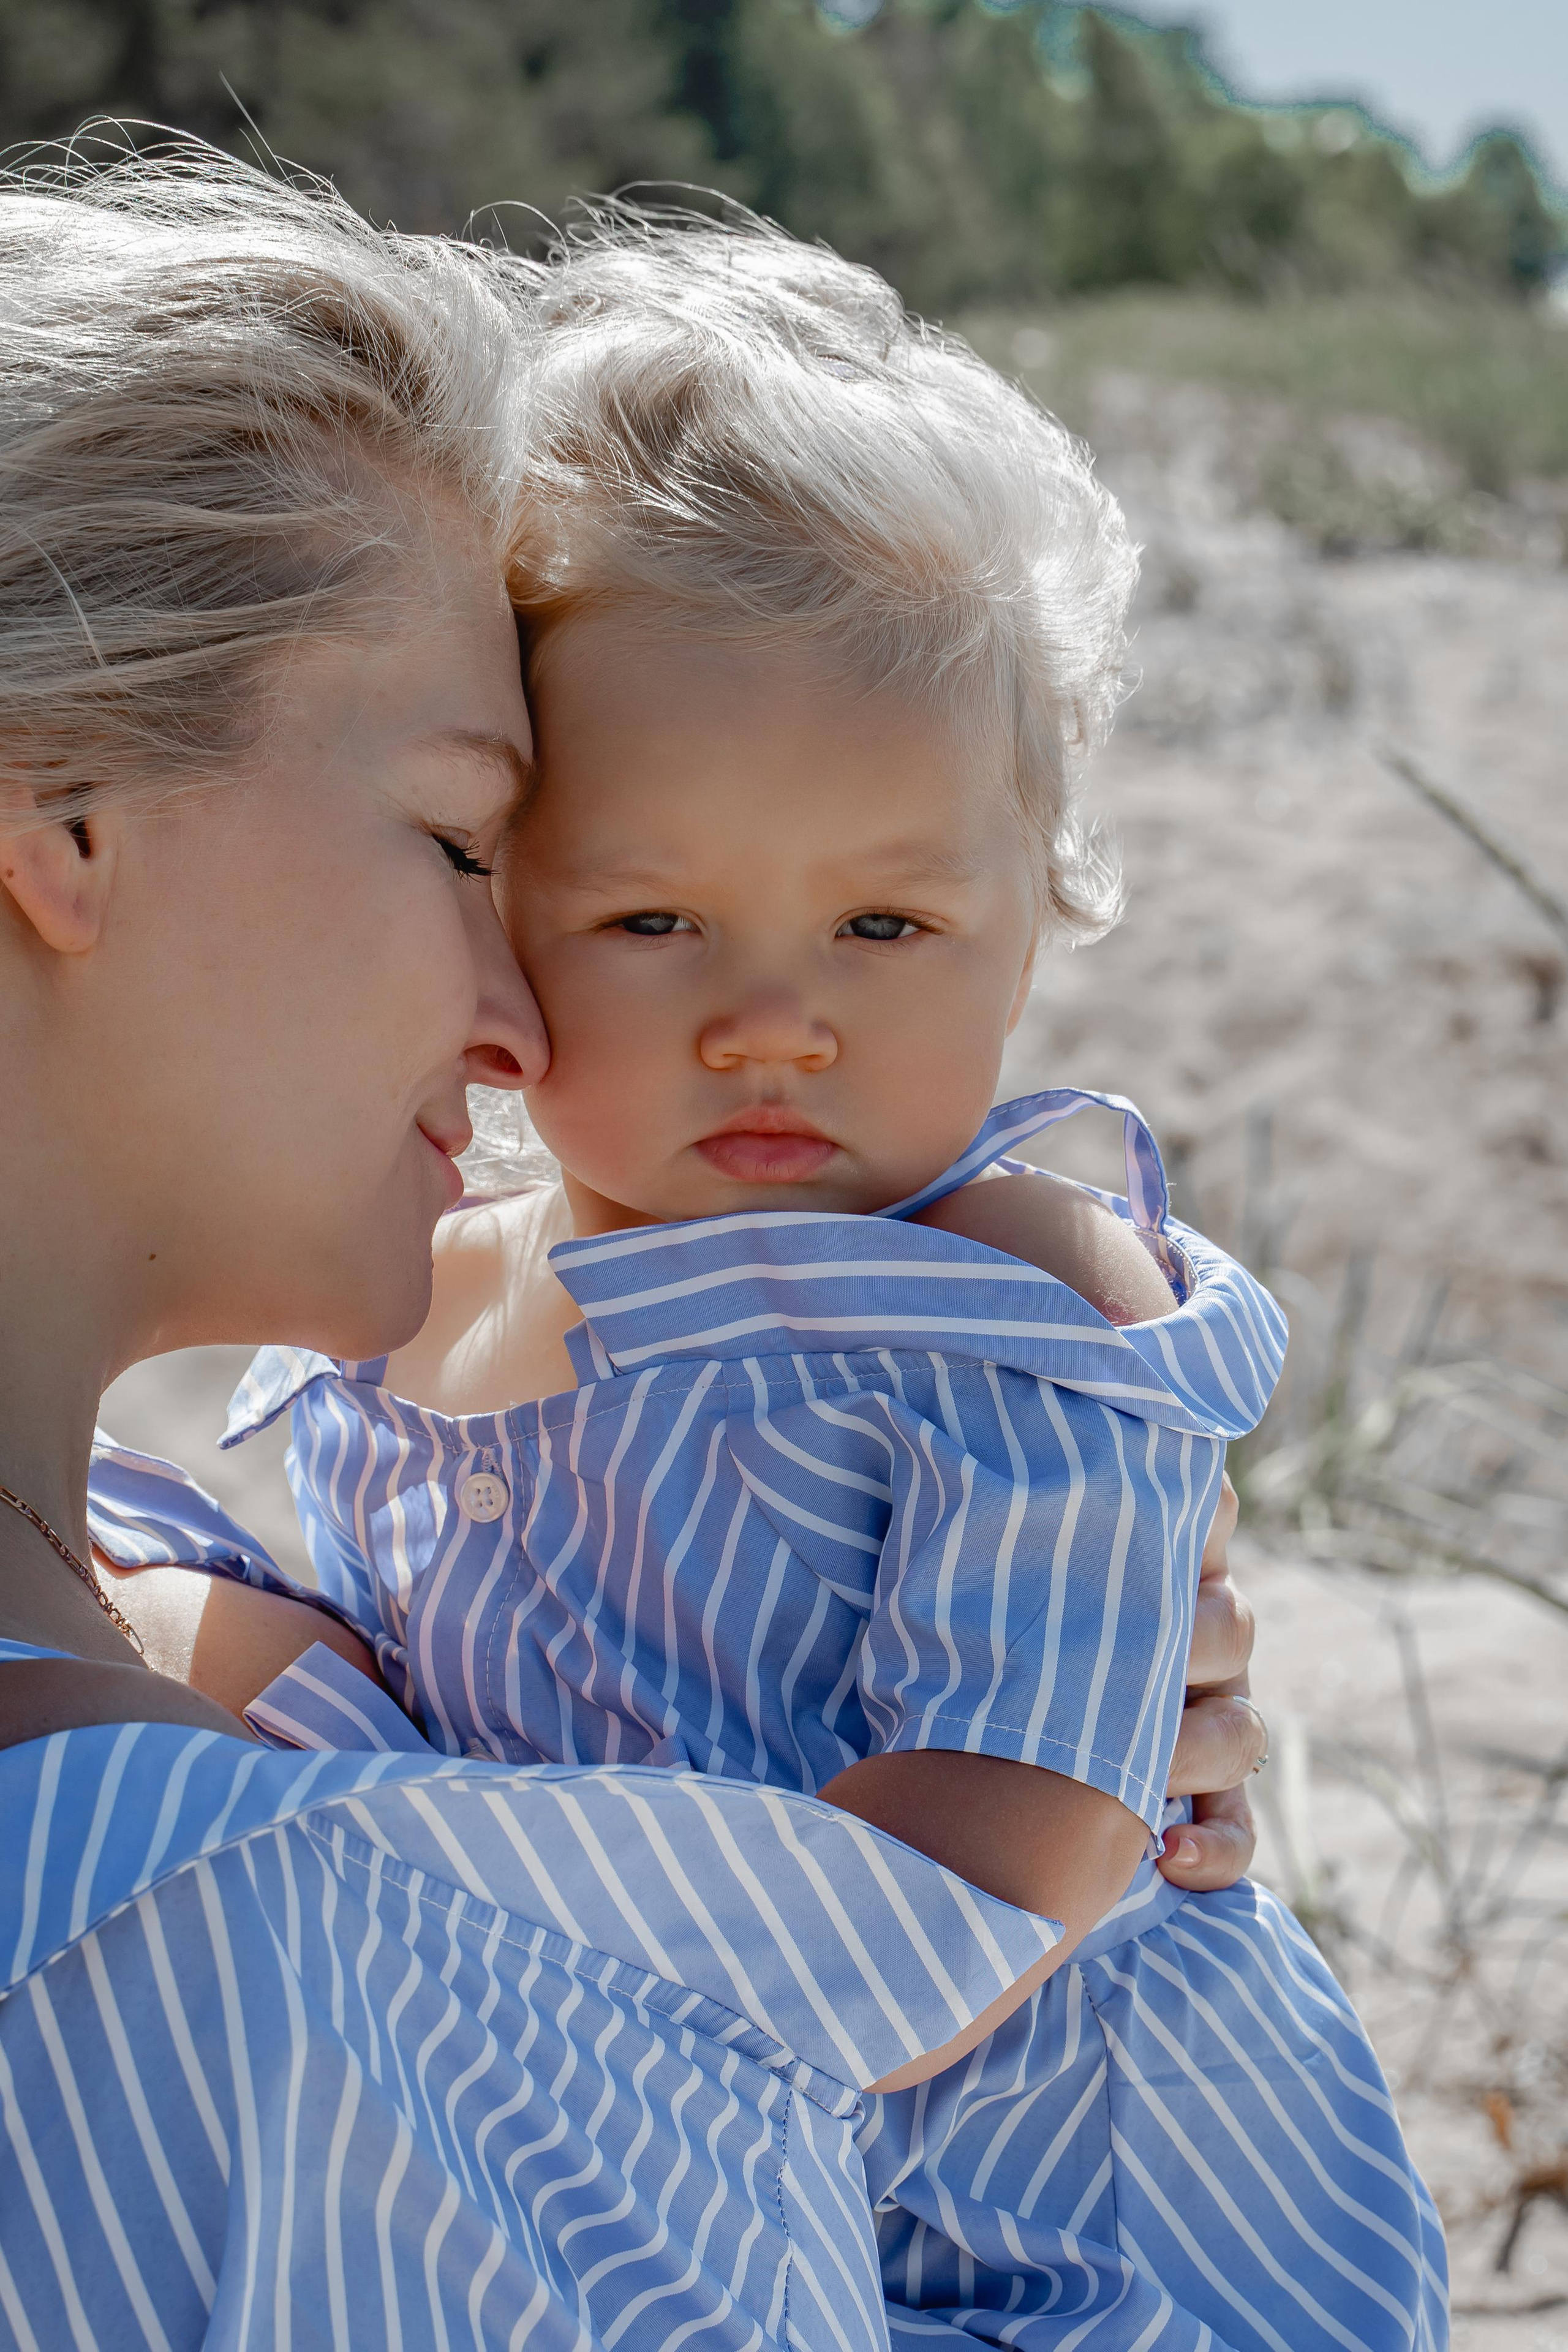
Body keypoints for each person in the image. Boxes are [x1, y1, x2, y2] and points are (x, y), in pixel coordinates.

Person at [0, 148, 1263, 2348]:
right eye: (475, 845)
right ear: (61, 822)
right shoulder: (247, 1975)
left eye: (889, 920)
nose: (518, 1026)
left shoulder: (990, 1307)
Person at [232, 219, 1447, 2350]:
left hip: (1092, 2236)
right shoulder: (401, 1308)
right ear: (499, 903)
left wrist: (461, 1954)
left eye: (887, 931)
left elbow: (977, 1884)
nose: (774, 1024)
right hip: (685, 2222)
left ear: (1040, 908)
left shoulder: (1002, 1301)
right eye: (653, 922)